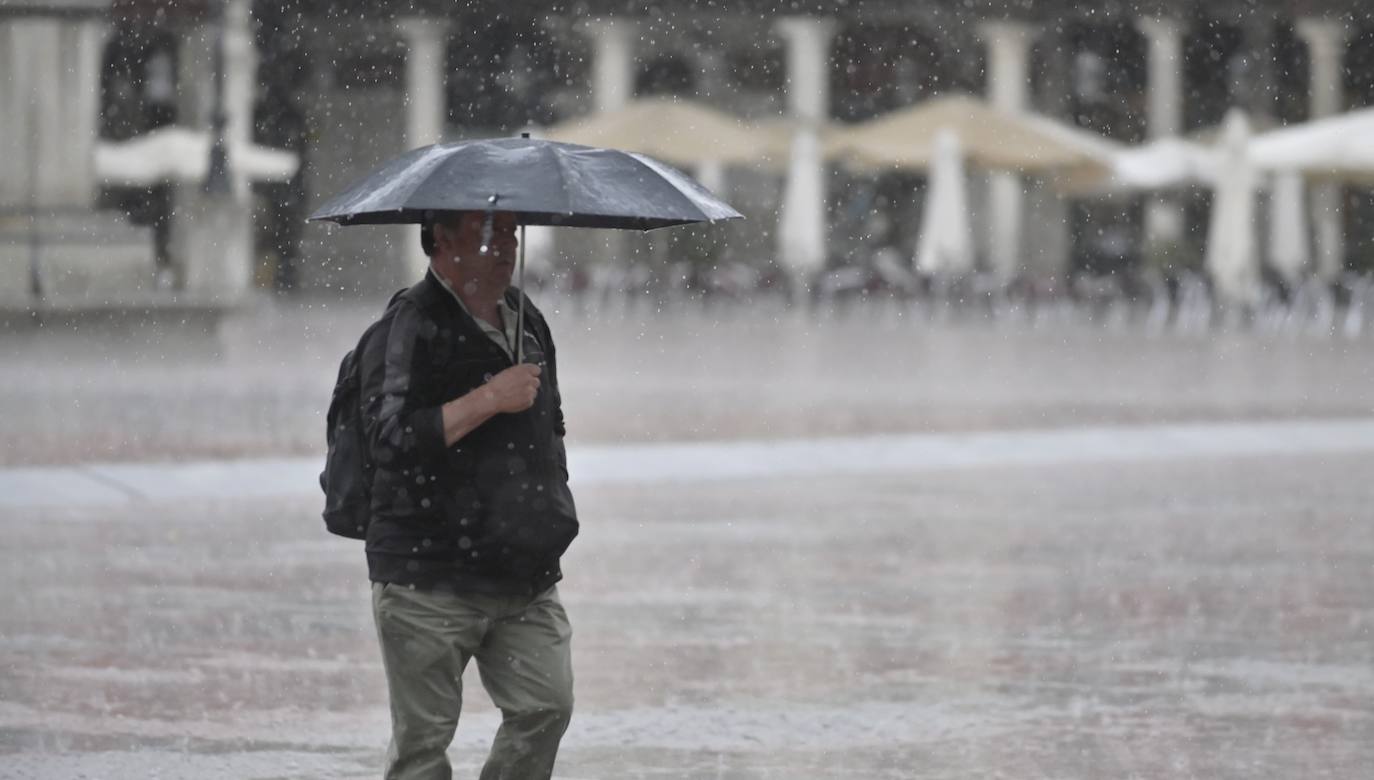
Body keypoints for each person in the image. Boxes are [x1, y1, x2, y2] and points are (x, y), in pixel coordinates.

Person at [357, 209, 578, 780]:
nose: (506, 244)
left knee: (546, 707)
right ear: (442, 242)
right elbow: (389, 438)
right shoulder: (407, 325)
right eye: (488, 232)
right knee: (423, 746)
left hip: (523, 569)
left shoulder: (529, 322)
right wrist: (489, 398)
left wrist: (552, 513)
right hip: (426, 571)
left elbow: (549, 429)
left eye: (510, 231)